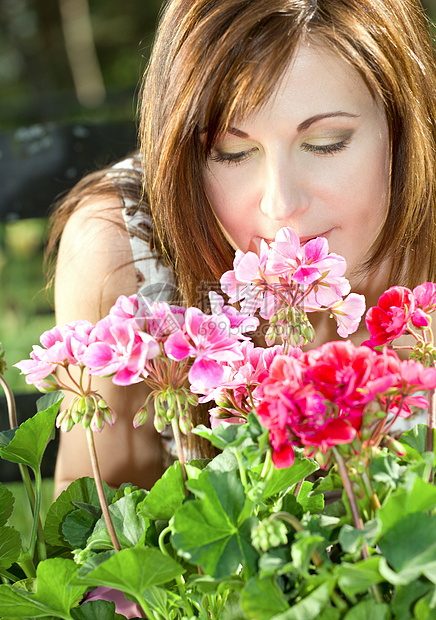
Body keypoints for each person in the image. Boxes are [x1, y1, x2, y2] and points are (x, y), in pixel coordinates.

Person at [50, 0, 436, 499]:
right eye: (232, 152)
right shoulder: (124, 249)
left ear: (407, 127)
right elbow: (95, 540)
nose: (280, 205)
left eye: (326, 142)